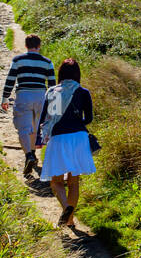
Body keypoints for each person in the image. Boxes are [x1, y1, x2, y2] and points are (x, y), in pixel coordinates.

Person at [36, 58, 96, 227]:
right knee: (73, 182)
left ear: (60, 73)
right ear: (78, 74)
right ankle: (69, 219)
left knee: (56, 182)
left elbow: (44, 118)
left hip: (59, 137)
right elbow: (89, 118)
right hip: (79, 138)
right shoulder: (83, 92)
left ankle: (67, 209)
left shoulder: (52, 92)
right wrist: (76, 123)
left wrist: (39, 140)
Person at [0, 34, 57, 178]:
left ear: (26, 46)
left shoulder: (18, 60)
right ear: (39, 46)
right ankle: (33, 155)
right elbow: (52, 84)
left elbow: (10, 79)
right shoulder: (47, 62)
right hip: (41, 96)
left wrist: (5, 97)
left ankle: (29, 155)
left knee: (24, 129)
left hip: (23, 95)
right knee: (36, 127)